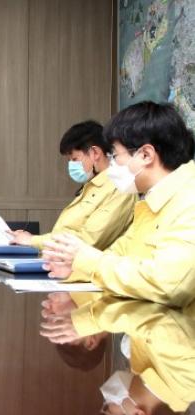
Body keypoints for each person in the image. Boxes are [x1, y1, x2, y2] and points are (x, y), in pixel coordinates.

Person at [42, 101, 195, 309]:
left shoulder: (189, 199)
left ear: (146, 155)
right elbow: (121, 253)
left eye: (115, 156)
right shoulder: (152, 200)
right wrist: (79, 269)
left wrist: (87, 261)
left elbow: (169, 284)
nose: (111, 166)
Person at [40, 295, 192, 415]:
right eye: (107, 408)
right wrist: (85, 320)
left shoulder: (148, 369)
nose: (107, 398)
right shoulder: (184, 376)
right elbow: (146, 310)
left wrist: (79, 300)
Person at [10, 120, 136, 250]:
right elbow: (68, 232)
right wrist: (30, 239)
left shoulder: (120, 189)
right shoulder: (91, 186)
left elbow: (88, 241)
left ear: (95, 153)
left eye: (75, 159)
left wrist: (32, 240)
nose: (71, 165)